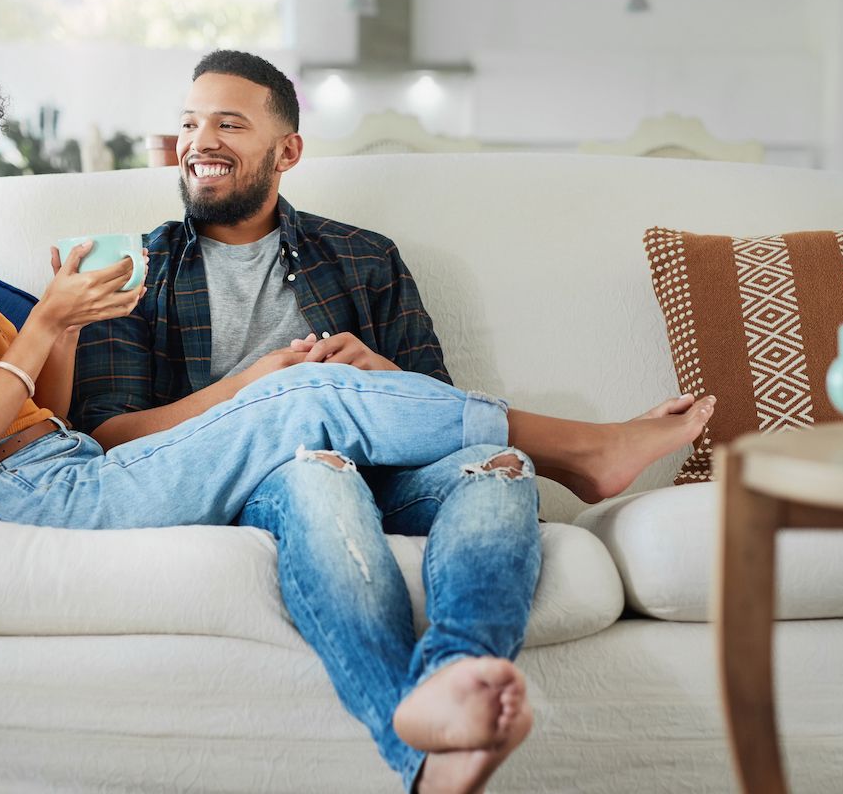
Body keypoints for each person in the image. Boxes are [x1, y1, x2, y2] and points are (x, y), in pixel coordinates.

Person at [70, 50, 716, 793]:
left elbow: (439, 415)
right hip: (263, 481)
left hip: (395, 478)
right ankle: (424, 750)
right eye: (188, 123)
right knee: (318, 470)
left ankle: (453, 684)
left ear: (288, 152)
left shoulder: (363, 257)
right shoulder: (137, 273)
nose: (199, 141)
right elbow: (112, 441)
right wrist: (257, 384)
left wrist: (379, 374)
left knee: (502, 466)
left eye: (228, 123)